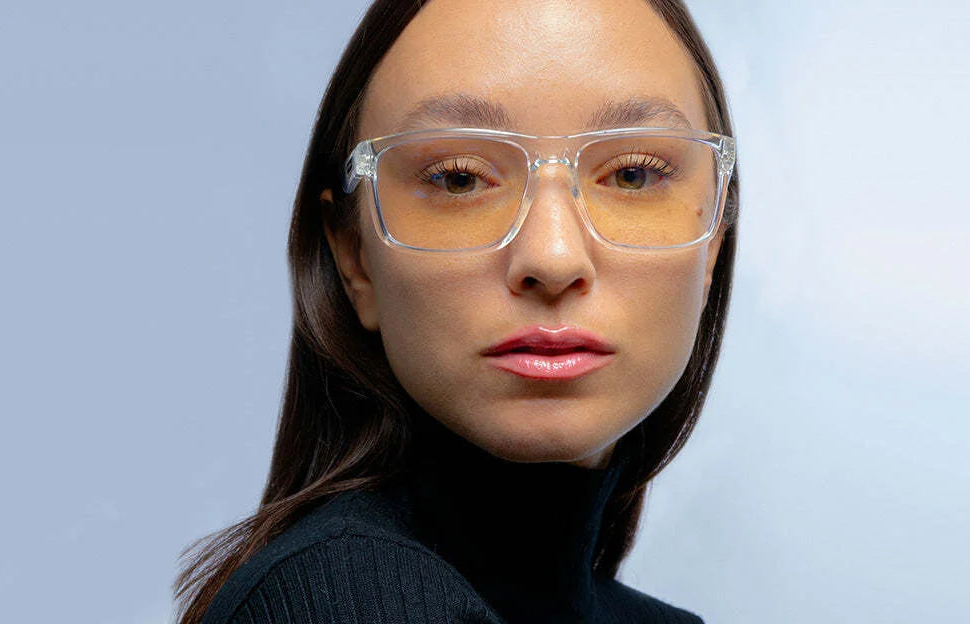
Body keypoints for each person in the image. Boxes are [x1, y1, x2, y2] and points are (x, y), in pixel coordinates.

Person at [175, 0, 738, 621]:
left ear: (714, 238)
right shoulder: (348, 600)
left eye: (632, 174)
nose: (552, 257)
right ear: (354, 257)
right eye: (458, 179)